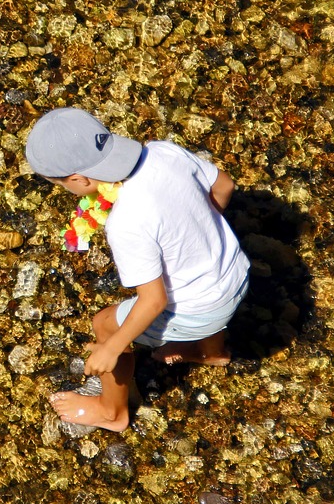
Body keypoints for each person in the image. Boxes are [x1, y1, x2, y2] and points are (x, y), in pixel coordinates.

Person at [25, 107, 250, 432]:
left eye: (61, 184)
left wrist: (111, 349)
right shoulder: (163, 151)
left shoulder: (126, 221)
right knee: (198, 293)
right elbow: (224, 186)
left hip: (202, 308)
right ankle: (210, 353)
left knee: (104, 324)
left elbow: (154, 301)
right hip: (235, 273)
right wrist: (194, 226)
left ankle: (112, 413)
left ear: (79, 180)